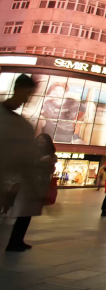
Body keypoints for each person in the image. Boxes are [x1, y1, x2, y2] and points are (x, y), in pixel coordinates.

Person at [6, 133, 56, 252]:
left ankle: (19, 240)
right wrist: (41, 161)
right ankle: (13, 243)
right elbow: (27, 167)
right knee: (23, 214)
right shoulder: (31, 153)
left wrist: (50, 163)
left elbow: (51, 170)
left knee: (28, 215)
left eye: (43, 140)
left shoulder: (50, 155)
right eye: (39, 140)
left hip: (39, 187)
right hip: (28, 186)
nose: (40, 142)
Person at [0, 75, 36, 225]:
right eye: (26, 94)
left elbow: (25, 162)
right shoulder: (20, 126)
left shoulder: (24, 127)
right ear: (17, 89)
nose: (26, 100)